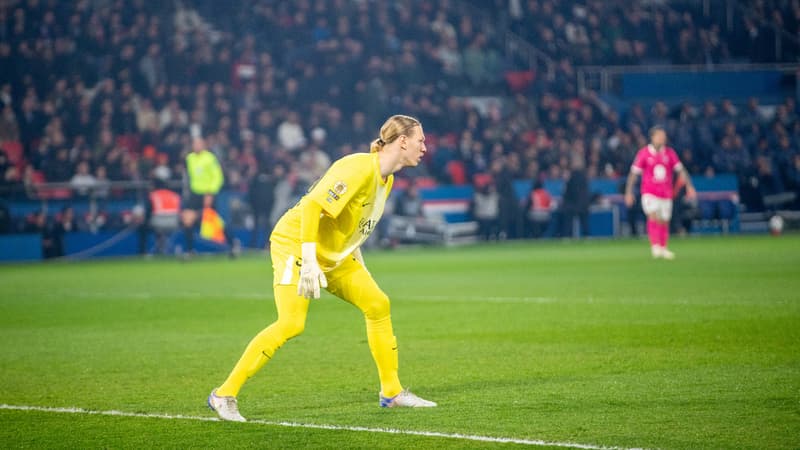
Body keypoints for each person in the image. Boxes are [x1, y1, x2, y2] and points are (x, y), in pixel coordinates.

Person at [208, 115, 437, 422]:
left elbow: (352, 223)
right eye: (421, 140)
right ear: (403, 141)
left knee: (377, 304)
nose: (425, 147)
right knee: (291, 323)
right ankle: (223, 394)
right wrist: (308, 260)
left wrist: (358, 262)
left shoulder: (387, 178)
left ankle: (392, 393)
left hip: (333, 256)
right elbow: (313, 206)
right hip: (296, 244)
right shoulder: (358, 167)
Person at [625, 126, 697, 259]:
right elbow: (634, 173)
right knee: (652, 216)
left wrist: (689, 186)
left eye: (663, 136)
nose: (662, 139)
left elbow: (681, 170)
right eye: (659, 136)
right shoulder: (644, 153)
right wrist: (628, 192)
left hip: (666, 193)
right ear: (652, 137)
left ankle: (663, 247)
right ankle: (655, 246)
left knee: (664, 220)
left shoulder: (670, 153)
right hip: (649, 192)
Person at [182, 136, 239, 257]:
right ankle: (190, 250)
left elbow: (218, 177)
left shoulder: (210, 158)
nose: (197, 146)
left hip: (208, 193)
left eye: (199, 144)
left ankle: (232, 245)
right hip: (195, 193)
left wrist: (210, 193)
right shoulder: (190, 158)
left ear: (203, 145)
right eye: (195, 144)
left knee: (218, 221)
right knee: (187, 219)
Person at [139, 178, 181, 255]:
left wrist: (144, 221)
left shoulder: (153, 195)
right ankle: (188, 249)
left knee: (142, 228)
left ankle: (143, 252)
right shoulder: (175, 195)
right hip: (174, 224)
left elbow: (148, 212)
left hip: (157, 223)